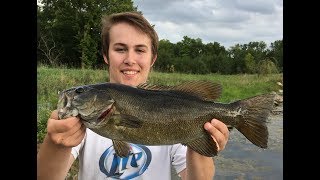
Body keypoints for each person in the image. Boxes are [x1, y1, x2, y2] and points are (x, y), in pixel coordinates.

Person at [37, 11, 229, 180]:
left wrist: (201, 145)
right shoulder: (81, 122)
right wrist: (57, 145)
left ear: (152, 58)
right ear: (106, 55)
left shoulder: (175, 106)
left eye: (140, 50)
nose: (130, 60)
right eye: (120, 49)